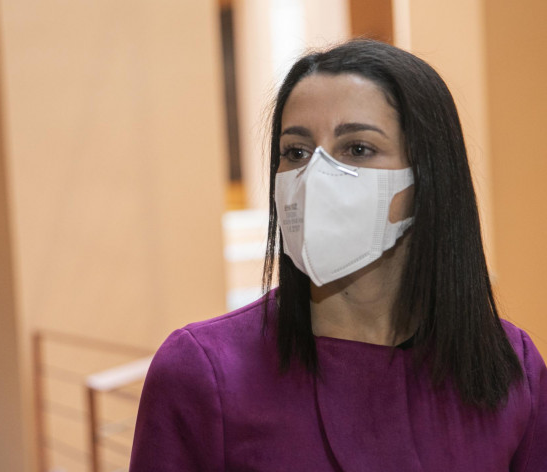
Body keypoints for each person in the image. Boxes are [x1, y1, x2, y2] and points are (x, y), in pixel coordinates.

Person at [129, 39, 547, 471]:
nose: (316, 176)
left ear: (427, 177)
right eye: (296, 152)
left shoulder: (511, 367)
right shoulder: (201, 372)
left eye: (358, 148)